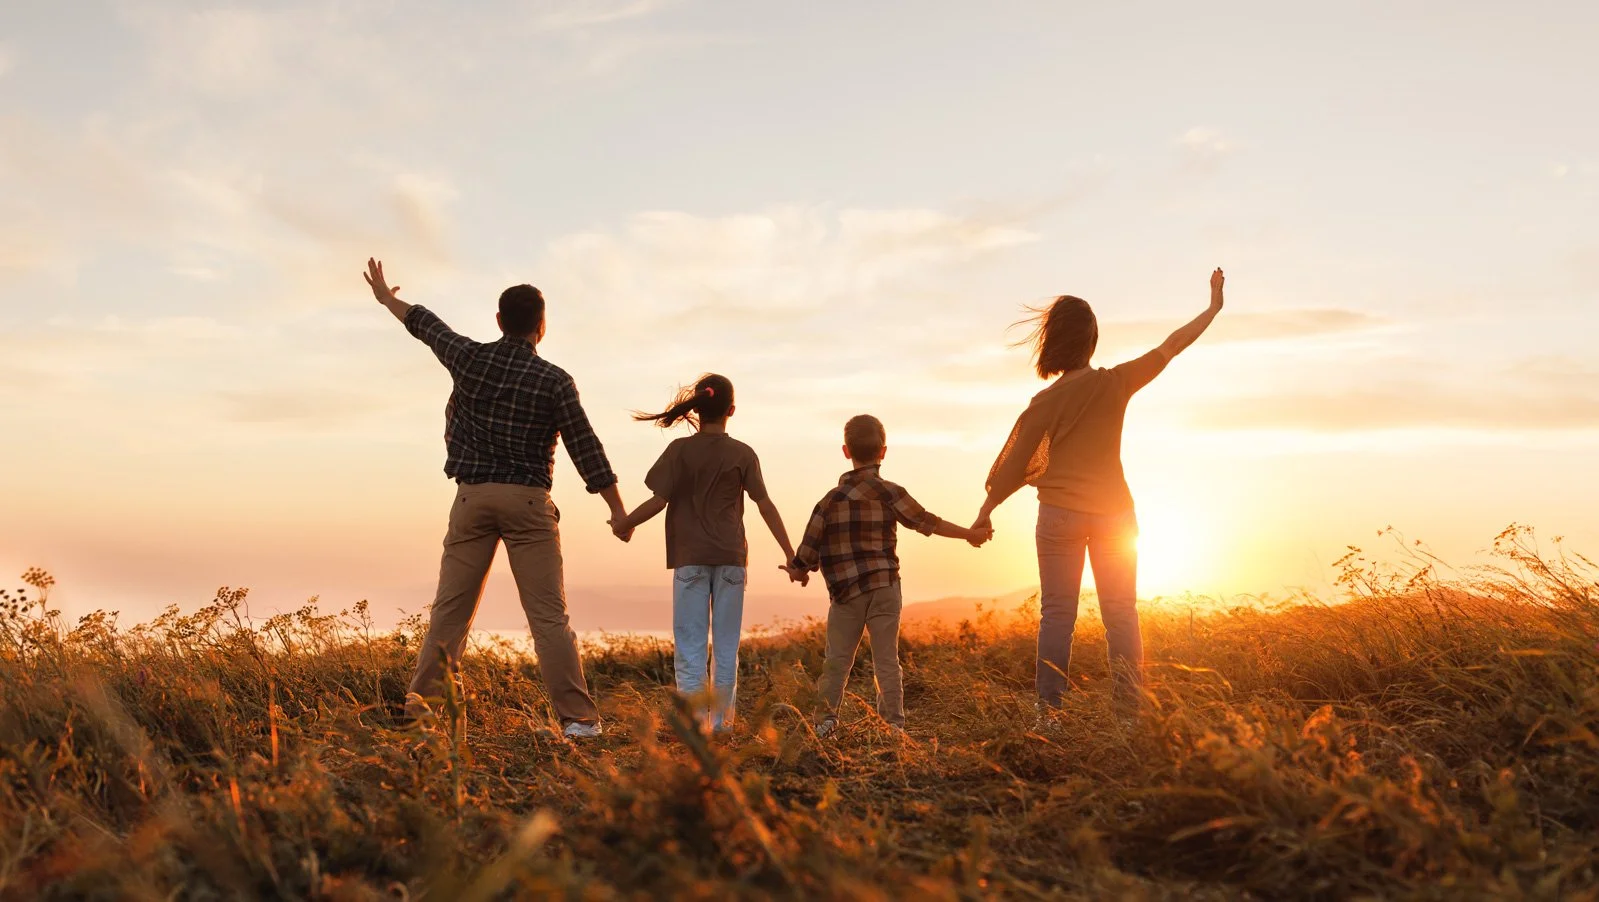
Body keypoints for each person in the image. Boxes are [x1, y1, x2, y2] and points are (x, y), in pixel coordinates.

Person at [362, 258, 628, 739]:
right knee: (548, 617)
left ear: (500, 321)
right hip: (528, 504)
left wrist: (386, 298)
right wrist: (617, 509)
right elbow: (585, 447)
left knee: (450, 612)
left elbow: (426, 324)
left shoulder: (471, 358)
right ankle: (579, 721)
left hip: (472, 499)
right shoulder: (554, 380)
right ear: (541, 328)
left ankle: (420, 714)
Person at [973, 268, 1226, 710]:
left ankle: (1048, 715)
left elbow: (1012, 466)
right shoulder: (1115, 383)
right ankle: (1129, 714)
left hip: (1058, 517)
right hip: (1114, 515)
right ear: (1091, 341)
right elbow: (1171, 346)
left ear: (1054, 342)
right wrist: (1213, 307)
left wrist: (985, 511)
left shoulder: (1043, 403)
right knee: (1121, 614)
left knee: (1056, 616)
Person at [609, 374, 799, 733]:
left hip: (690, 560)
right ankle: (722, 727)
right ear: (731, 410)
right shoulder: (743, 453)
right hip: (731, 559)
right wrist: (790, 554)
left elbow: (657, 500)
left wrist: (624, 524)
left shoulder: (679, 451)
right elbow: (765, 506)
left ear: (697, 409)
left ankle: (696, 728)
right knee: (726, 649)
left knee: (691, 649)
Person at [783, 415, 992, 736]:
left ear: (845, 451)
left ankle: (825, 725)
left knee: (836, 662)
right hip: (884, 587)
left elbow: (806, 552)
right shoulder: (890, 492)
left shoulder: (829, 501)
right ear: (883, 452)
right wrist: (969, 533)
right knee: (887, 661)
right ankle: (893, 727)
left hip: (845, 595)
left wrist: (798, 571)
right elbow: (928, 522)